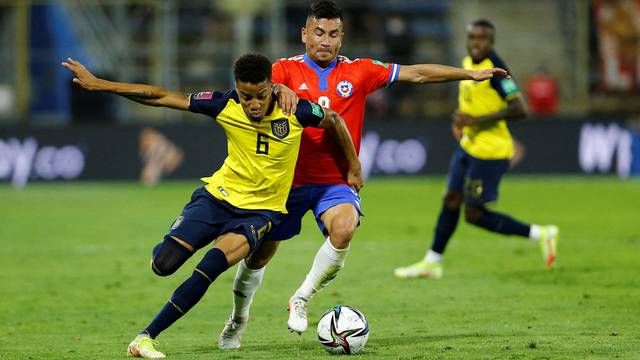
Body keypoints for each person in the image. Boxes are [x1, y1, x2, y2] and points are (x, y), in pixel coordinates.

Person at [217, 1, 511, 349]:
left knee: (344, 229)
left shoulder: (360, 71)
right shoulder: (283, 70)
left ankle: (302, 297)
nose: (325, 41)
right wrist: (280, 89)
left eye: (333, 34)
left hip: (335, 181)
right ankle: (238, 319)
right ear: (305, 34)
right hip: (286, 181)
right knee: (259, 256)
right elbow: (259, 90)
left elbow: (416, 73)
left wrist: (470, 74)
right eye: (319, 32)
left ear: (342, 39)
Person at [62, 53, 362, 358]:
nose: (254, 104)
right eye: (247, 97)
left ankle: (145, 338)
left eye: (260, 96)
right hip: (217, 198)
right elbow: (160, 96)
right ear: (237, 89)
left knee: (210, 267)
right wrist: (100, 84)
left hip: (260, 213)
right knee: (163, 264)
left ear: (272, 87)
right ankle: (175, 241)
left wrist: (353, 166)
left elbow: (334, 119)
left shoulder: (295, 109)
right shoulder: (224, 104)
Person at [394, 20, 559, 280]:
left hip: (490, 152)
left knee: (474, 214)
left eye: (481, 39)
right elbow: (469, 103)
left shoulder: (497, 71)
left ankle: (541, 234)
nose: (475, 43)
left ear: (491, 42)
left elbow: (520, 108)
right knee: (450, 199)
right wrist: (459, 120)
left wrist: (477, 121)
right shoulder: (468, 64)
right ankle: (432, 262)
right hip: (468, 146)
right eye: (472, 38)